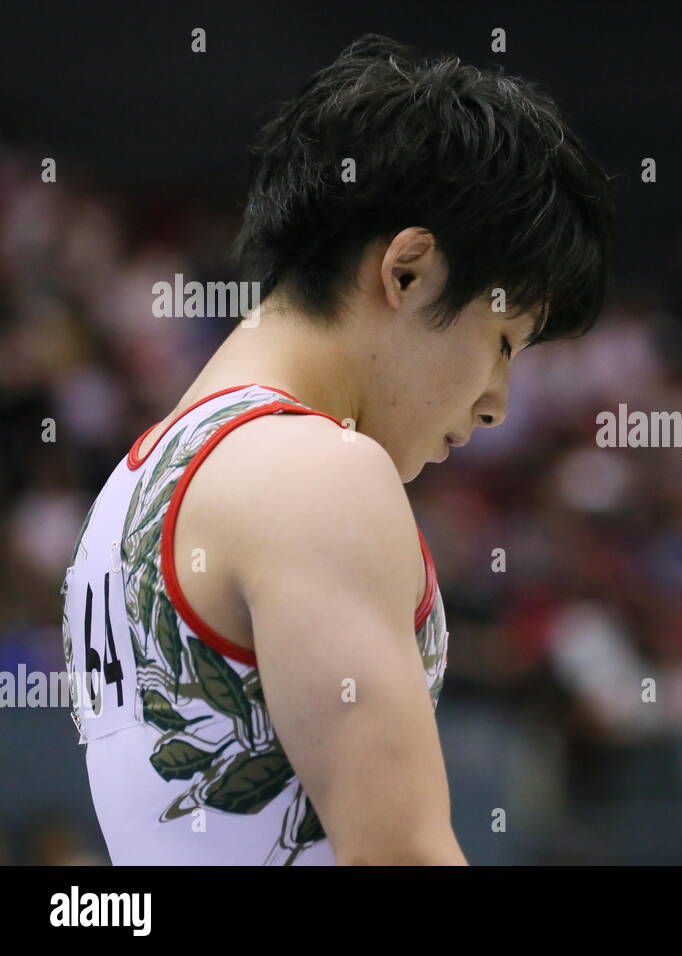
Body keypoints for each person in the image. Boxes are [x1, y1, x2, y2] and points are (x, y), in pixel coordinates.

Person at [60, 33, 616, 865]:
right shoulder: (314, 471)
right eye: (504, 341)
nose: (498, 404)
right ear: (409, 270)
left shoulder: (137, 487)